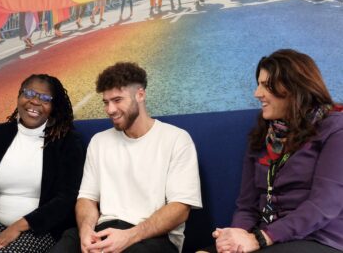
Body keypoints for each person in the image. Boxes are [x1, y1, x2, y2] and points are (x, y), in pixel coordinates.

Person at [198, 49, 343, 253]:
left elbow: (323, 205)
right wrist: (234, 239)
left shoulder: (335, 129)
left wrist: (260, 238)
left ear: (295, 87)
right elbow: (247, 206)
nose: (257, 93)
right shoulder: (262, 135)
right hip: (266, 236)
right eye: (259, 84)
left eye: (266, 85)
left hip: (318, 238)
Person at [49, 62, 202, 253]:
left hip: (152, 236)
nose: (110, 109)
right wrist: (87, 230)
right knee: (65, 244)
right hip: (103, 230)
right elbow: (87, 198)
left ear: (140, 94)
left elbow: (180, 209)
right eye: (106, 102)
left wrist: (130, 236)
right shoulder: (99, 141)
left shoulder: (176, 139)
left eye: (117, 100)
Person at [0, 74, 85, 253]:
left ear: (53, 106)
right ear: (19, 96)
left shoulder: (66, 140)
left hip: (39, 229)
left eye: (45, 98)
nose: (35, 102)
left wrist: (17, 227)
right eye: (28, 93)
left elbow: (66, 197)